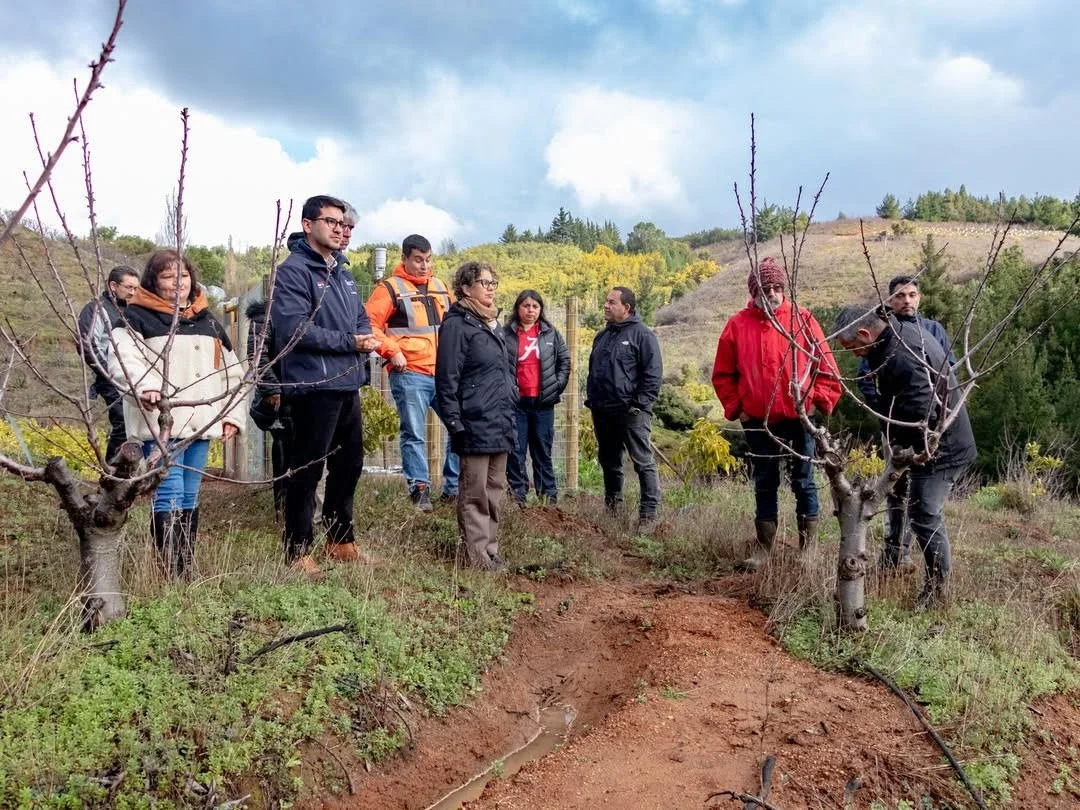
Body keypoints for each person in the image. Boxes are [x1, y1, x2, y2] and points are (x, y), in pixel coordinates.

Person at [108, 250, 245, 580]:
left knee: (189, 494)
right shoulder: (135, 318)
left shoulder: (208, 320)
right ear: (153, 282)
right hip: (160, 425)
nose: (178, 283)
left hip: (200, 425)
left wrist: (232, 415)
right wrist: (147, 387)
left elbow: (233, 374)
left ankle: (185, 567)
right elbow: (123, 361)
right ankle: (169, 571)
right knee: (167, 494)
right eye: (168, 277)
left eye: (183, 276)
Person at [833, 305, 976, 609]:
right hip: (930, 443)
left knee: (925, 514)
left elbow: (923, 408)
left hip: (940, 447)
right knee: (916, 509)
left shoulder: (901, 354)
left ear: (864, 333)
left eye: (853, 347)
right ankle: (903, 563)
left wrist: (914, 449)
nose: (855, 354)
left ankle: (937, 593)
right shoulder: (895, 337)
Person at [270, 195, 380, 574]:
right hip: (312, 386)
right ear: (307, 225)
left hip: (347, 383)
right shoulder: (294, 271)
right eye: (330, 221)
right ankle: (298, 550)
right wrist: (350, 343)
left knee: (350, 464)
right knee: (307, 470)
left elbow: (361, 318)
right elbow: (293, 330)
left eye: (342, 223)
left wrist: (363, 336)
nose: (338, 228)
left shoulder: (343, 272)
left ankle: (340, 540)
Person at [711, 257, 842, 571]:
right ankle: (764, 549)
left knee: (804, 481)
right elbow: (723, 376)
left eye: (777, 287)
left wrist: (815, 401)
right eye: (765, 288)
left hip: (799, 419)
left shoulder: (802, 320)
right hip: (758, 420)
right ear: (754, 292)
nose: (772, 293)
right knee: (765, 482)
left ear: (784, 288)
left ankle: (807, 550)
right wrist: (739, 410)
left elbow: (827, 369)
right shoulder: (736, 325)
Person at [858, 274, 956, 571]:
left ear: (920, 297)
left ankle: (913, 554)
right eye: (900, 296)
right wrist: (886, 413)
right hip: (895, 429)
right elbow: (865, 379)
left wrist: (939, 418)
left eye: (912, 295)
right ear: (890, 300)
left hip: (930, 431)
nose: (906, 301)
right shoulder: (882, 331)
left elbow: (950, 377)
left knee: (922, 494)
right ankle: (894, 553)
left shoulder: (933, 330)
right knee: (895, 487)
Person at [366, 234, 459, 511]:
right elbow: (369, 326)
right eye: (418, 260)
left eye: (428, 260)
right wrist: (392, 350)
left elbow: (456, 325)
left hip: (444, 374)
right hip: (410, 373)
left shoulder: (441, 287)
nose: (424, 265)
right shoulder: (389, 288)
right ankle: (420, 489)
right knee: (414, 433)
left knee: (461, 426)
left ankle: (453, 488)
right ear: (404, 258)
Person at [436, 261, 517, 571]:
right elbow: (447, 378)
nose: (491, 287)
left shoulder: (493, 324)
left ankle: (491, 551)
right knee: (475, 493)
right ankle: (476, 557)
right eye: (484, 282)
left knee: (495, 491)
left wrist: (513, 398)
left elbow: (505, 371)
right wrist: (455, 423)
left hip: (500, 420)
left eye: (492, 282)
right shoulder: (457, 325)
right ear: (466, 288)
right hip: (474, 421)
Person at [585, 286, 663, 535]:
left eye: (611, 302)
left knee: (643, 462)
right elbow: (594, 372)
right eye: (606, 301)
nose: (606, 305)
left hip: (631, 412)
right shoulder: (602, 336)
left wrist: (638, 404)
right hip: (603, 410)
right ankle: (613, 510)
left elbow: (653, 375)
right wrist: (593, 400)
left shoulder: (643, 336)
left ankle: (648, 516)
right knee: (609, 462)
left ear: (626, 308)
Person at [503, 289, 570, 505]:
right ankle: (517, 499)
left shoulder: (551, 334)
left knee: (542, 452)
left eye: (535, 306)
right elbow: (499, 366)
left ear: (540, 309)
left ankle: (548, 500)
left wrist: (555, 387)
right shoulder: (507, 334)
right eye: (526, 306)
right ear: (517, 308)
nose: (530, 310)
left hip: (543, 404)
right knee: (516, 452)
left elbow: (564, 362)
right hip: (517, 404)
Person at [77, 265, 140, 463]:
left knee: (136, 426)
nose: (132, 292)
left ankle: (128, 477)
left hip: (135, 376)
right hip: (110, 376)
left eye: (136, 288)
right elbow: (86, 344)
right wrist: (108, 373)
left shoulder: (132, 312)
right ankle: (111, 478)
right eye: (128, 287)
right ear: (113, 285)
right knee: (123, 422)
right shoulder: (97, 308)